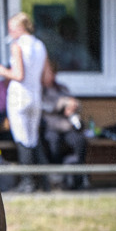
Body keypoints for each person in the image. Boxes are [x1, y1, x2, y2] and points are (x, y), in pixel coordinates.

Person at [0, 12, 49, 193]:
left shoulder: (18, 45)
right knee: (33, 139)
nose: (10, 32)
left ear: (20, 28)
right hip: (35, 96)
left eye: (11, 28)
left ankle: (27, 181)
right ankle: (45, 181)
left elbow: (18, 75)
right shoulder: (40, 45)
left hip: (19, 97)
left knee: (23, 140)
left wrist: (1, 70)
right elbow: (46, 77)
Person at [41, 58, 89, 190]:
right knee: (53, 140)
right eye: (48, 72)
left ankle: (78, 177)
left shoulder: (62, 88)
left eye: (53, 73)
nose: (51, 75)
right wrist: (61, 104)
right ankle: (57, 176)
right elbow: (45, 107)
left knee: (79, 140)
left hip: (67, 127)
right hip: (50, 127)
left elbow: (74, 102)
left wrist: (73, 105)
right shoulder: (39, 90)